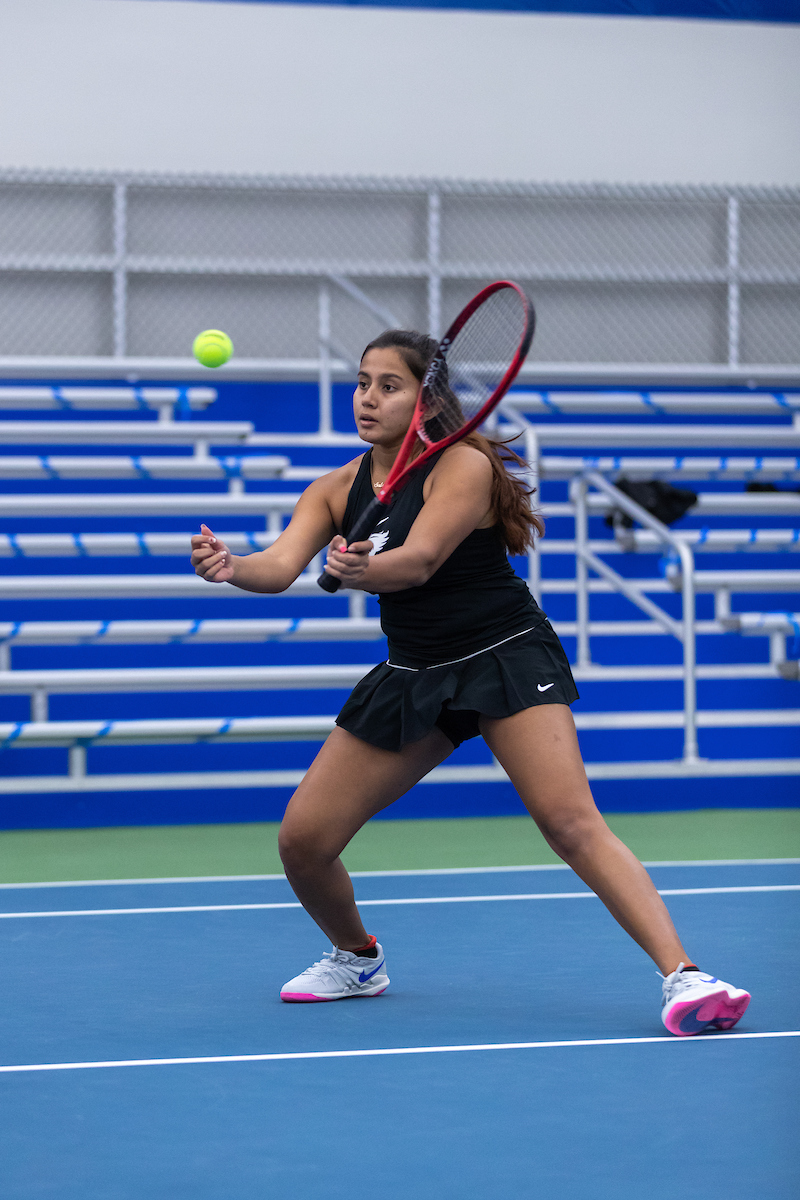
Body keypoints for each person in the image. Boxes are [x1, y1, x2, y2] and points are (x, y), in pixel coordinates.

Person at [190, 329, 751, 1037]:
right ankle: (356, 958)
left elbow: (421, 559)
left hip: (503, 655)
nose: (367, 397)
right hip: (414, 671)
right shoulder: (336, 488)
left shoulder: (464, 466)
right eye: (362, 382)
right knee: (303, 840)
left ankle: (685, 977)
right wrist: (231, 565)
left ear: (425, 399)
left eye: (387, 385)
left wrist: (365, 570)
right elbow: (277, 566)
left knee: (569, 823)